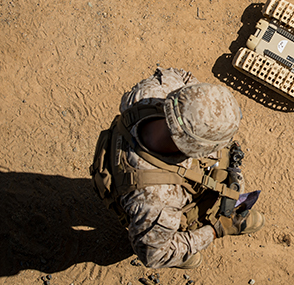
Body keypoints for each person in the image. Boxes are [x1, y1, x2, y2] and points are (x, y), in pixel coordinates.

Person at [93, 67, 264, 269]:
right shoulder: (158, 201)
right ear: (195, 148)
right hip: (141, 194)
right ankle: (183, 251)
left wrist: (199, 108)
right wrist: (215, 230)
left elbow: (182, 75)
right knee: (169, 245)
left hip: (124, 160)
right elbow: (152, 256)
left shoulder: (151, 93)